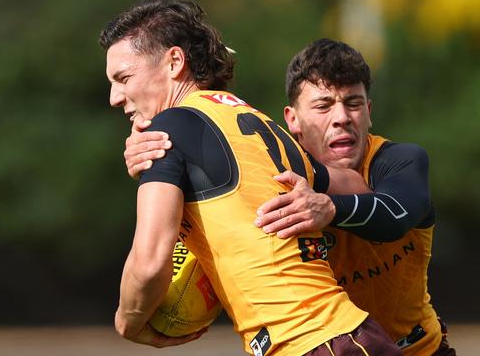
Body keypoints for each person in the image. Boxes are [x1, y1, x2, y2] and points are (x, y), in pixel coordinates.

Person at [100, 0, 401, 356]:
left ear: (174, 62)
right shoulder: (257, 123)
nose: (115, 97)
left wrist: (127, 320)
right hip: (348, 335)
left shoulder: (167, 131)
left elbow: (149, 264)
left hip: (312, 342)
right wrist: (326, 205)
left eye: (123, 78)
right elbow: (356, 184)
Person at [125, 38, 456, 355]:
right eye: (323, 106)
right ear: (292, 120)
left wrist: (328, 209)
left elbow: (394, 216)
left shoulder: (399, 161)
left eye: (353, 104)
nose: (342, 118)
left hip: (420, 349)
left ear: (369, 111)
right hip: (336, 343)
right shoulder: (272, 170)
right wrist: (156, 150)